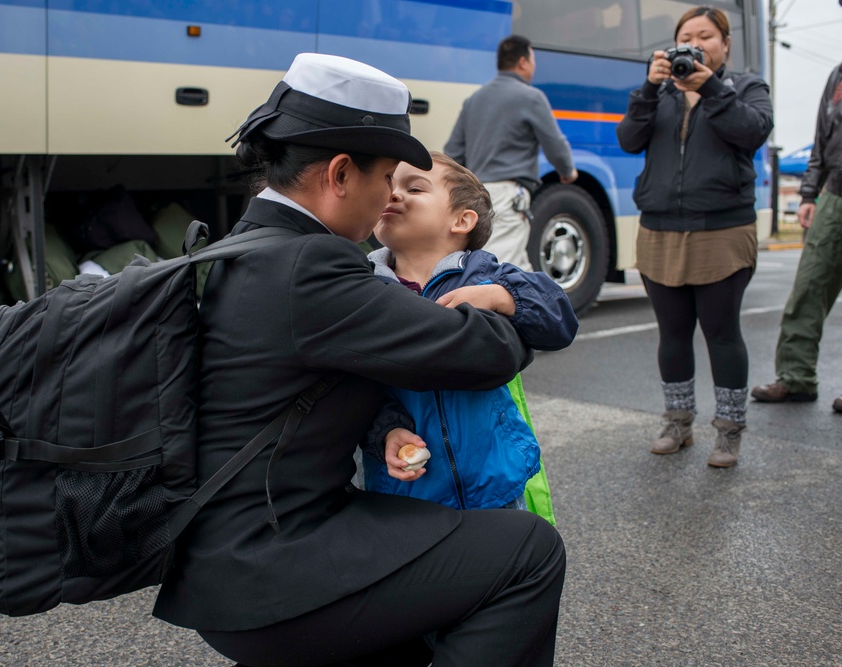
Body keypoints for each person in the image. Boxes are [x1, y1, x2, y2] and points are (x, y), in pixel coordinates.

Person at [153, 53, 566, 667]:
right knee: (530, 550)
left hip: (228, 558)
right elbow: (485, 354)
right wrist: (506, 302)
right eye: (384, 184)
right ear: (341, 173)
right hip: (272, 569)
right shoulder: (312, 267)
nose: (385, 206)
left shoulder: (246, 245)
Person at [361, 152, 577, 521]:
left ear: (461, 220)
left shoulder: (485, 274)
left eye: (413, 187)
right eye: (389, 185)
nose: (393, 195)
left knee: (505, 572)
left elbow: (560, 319)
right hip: (409, 491)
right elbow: (358, 386)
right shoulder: (365, 288)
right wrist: (386, 432)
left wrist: (502, 296)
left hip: (495, 482)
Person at [615, 6, 773, 467]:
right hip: (660, 229)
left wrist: (710, 87)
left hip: (722, 229)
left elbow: (752, 131)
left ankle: (728, 432)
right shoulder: (659, 92)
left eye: (706, 35)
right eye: (686, 36)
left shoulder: (745, 87)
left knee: (722, 334)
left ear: (725, 44)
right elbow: (629, 138)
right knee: (672, 335)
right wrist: (648, 87)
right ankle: (677, 422)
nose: (696, 42)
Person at [751, 0, 842, 415]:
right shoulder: (841, 74)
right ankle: (796, 377)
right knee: (808, 288)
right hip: (834, 191)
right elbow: (822, 140)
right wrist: (810, 194)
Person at [444, 35, 577, 271]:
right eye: (533, 60)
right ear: (523, 62)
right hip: (507, 197)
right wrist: (567, 171)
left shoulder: (474, 100)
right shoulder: (531, 97)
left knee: (483, 264)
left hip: (475, 198)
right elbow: (555, 142)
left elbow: (453, 153)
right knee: (505, 269)